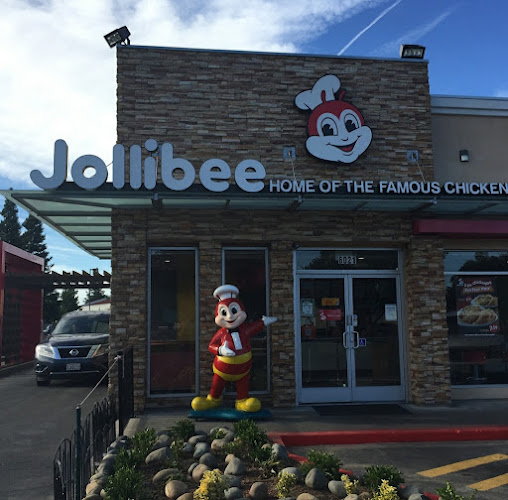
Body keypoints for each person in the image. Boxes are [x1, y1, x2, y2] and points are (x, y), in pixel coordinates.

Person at [191, 284, 277, 412]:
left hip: (243, 371)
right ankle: (212, 400)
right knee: (217, 384)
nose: (230, 317)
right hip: (221, 370)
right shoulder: (221, 333)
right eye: (224, 313)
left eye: (234, 311)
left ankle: (242, 401)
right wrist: (221, 350)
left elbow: (254, 327)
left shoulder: (244, 330)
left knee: (243, 384)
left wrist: (263, 322)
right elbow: (211, 346)